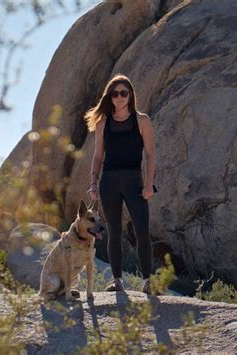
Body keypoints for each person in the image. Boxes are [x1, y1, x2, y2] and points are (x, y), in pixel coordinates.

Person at [84, 74, 156, 294]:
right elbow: (97, 156)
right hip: (110, 182)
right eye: (115, 94)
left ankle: (148, 282)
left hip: (135, 181)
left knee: (142, 231)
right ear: (110, 97)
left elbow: (151, 154)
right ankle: (117, 281)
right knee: (114, 232)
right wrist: (93, 183)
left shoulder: (141, 120)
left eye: (124, 93)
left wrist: (148, 184)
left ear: (130, 94)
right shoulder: (102, 124)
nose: (120, 97)